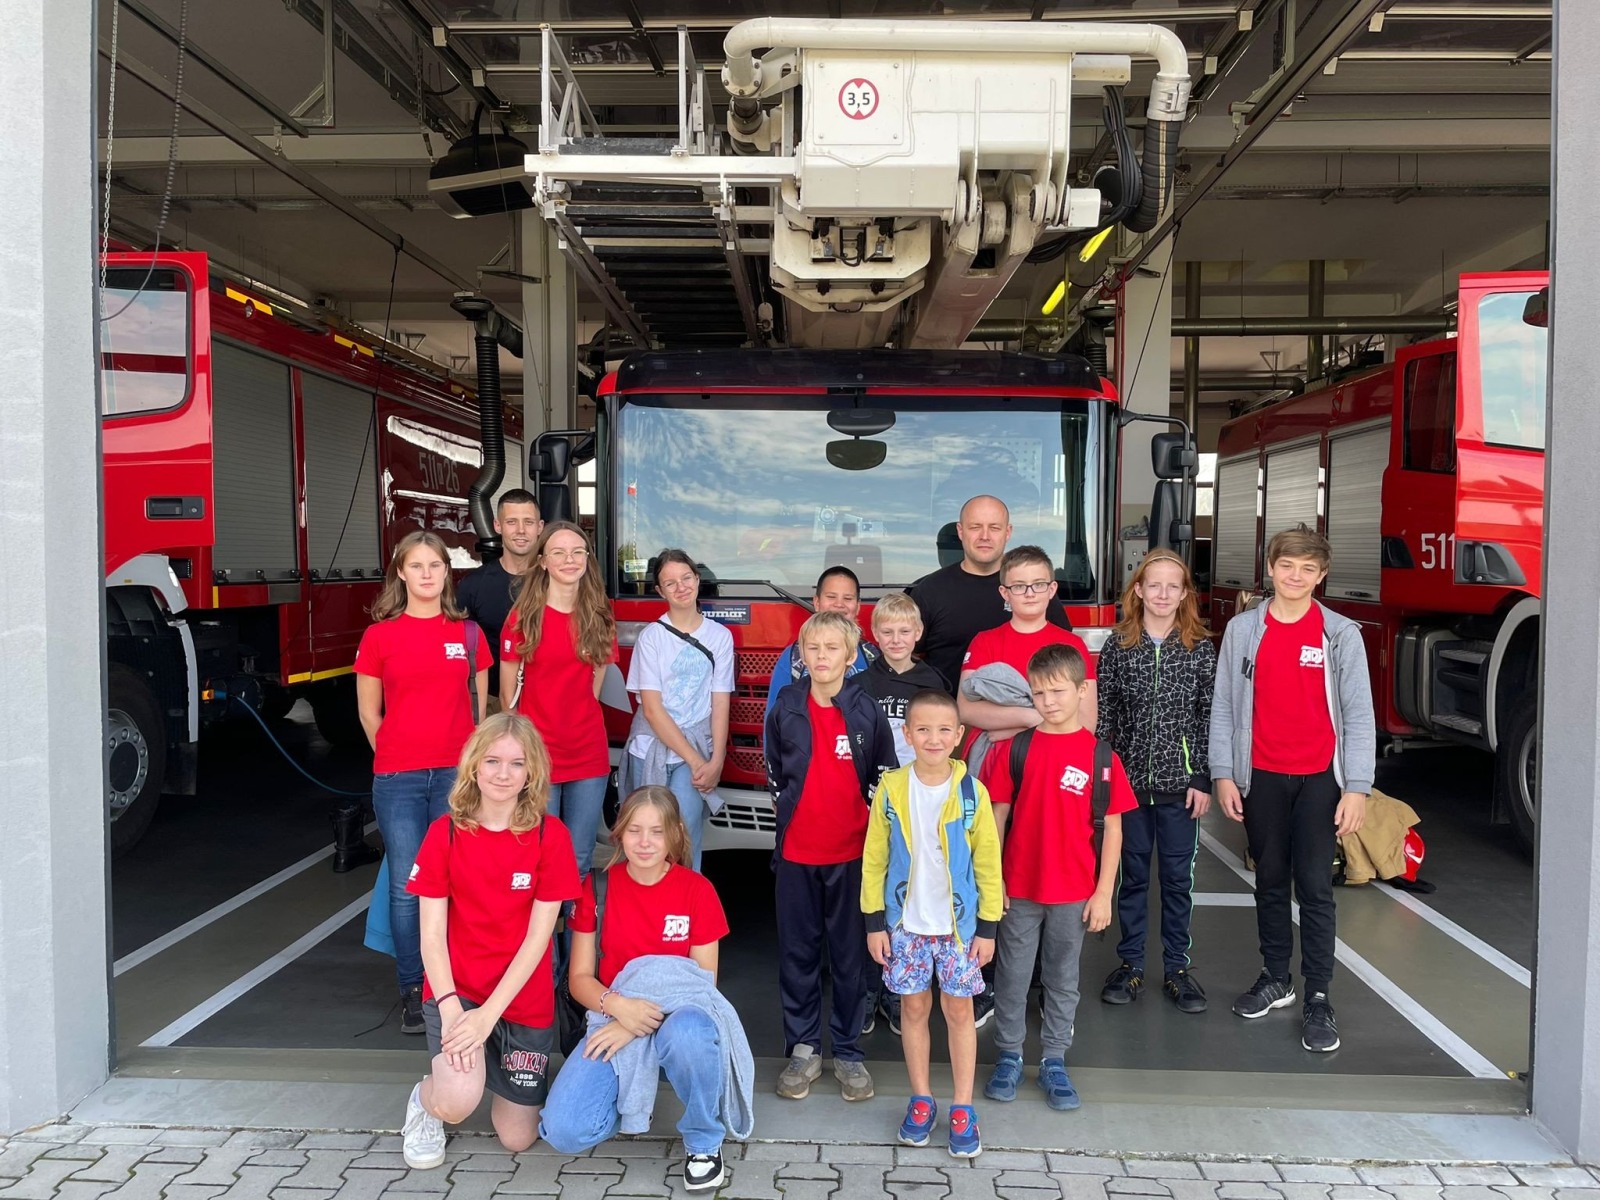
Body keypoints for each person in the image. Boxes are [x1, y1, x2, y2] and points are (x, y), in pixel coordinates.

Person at [541, 786, 753, 1195]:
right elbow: (580, 979)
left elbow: (701, 986)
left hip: (678, 1017)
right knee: (564, 1130)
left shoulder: (697, 890)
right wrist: (619, 1008)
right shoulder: (597, 888)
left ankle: (704, 1141)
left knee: (690, 1033)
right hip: (613, 1013)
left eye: (656, 831)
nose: (644, 842)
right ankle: (629, 1101)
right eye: (635, 830)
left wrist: (636, 1024)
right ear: (619, 833)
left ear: (675, 833)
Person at [1212, 525, 1374, 1054]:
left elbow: (1358, 715)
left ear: (1321, 575)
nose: (1296, 576)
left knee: (1315, 885)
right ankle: (1276, 977)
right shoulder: (1243, 630)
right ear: (1272, 567)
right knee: (1271, 879)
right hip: (1261, 776)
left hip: (1320, 781)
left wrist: (1358, 787)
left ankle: (1320, 996)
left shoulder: (1339, 635)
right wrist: (1223, 774)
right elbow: (1225, 707)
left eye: (1308, 569)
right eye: (1287, 566)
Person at [398, 712, 581, 1168]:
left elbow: (538, 941)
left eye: (517, 764)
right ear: (474, 767)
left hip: (522, 1001)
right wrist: (452, 1007)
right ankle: (425, 1103)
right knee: (458, 1102)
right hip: (457, 993)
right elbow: (432, 938)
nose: (503, 774)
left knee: (517, 1138)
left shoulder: (549, 836)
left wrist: (490, 1018)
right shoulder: (446, 834)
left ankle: (487, 1070)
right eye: (493, 761)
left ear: (531, 772)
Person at [979, 643, 1133, 1112]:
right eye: (1038, 692)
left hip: (1074, 892)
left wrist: (1104, 893)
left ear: (1082, 690)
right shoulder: (1014, 749)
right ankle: (1008, 1056)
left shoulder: (1101, 756)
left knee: (1063, 978)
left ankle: (1053, 1059)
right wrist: (995, 881)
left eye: (1058, 691)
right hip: (1019, 888)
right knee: (1011, 975)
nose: (1048, 701)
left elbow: (1113, 830)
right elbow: (995, 819)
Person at [355, 530, 492, 1035]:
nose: (428, 574)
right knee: (407, 886)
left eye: (436, 565)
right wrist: (395, 755)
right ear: (402, 574)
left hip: (457, 779)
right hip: (399, 779)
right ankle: (414, 987)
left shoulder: (469, 635)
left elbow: (481, 715)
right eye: (417, 566)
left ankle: (450, 982)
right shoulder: (379, 637)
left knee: (456, 882)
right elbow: (370, 715)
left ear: (446, 574)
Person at [764, 610, 898, 1103]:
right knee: (798, 956)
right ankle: (803, 1049)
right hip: (797, 858)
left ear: (851, 655)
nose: (821, 657)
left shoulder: (866, 710)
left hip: (851, 860)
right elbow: (776, 770)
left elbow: (884, 776)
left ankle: (847, 1051)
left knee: (849, 959)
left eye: (831, 649)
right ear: (802, 654)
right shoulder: (786, 706)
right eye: (812, 649)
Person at [862, 690, 1001, 1159]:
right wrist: (874, 921)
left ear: (959, 736)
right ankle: (921, 1099)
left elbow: (988, 863)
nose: (933, 738)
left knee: (960, 1012)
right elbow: (875, 857)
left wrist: (988, 927)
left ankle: (963, 1107)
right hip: (907, 925)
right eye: (922, 729)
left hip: (958, 929)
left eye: (944, 729)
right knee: (913, 1011)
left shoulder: (971, 793)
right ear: (907, 734)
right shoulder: (892, 789)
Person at [1094, 549, 1217, 1014]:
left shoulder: (1200, 647)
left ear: (1184, 593)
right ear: (1139, 590)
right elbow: (1104, 717)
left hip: (1180, 787)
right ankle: (1130, 964)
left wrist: (1201, 775)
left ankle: (1177, 968)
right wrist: (1104, 779)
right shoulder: (1118, 646)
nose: (1163, 594)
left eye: (1173, 586)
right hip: (1127, 790)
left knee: (1175, 880)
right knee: (1131, 877)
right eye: (1154, 585)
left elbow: (1208, 717)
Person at [500, 521, 619, 880]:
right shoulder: (523, 618)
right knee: (540, 854)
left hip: (587, 753)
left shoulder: (599, 617)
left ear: (587, 558)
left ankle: (574, 937)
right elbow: (508, 698)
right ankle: (545, 938)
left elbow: (593, 686)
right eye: (559, 552)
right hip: (538, 755)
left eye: (577, 552)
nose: (570, 560)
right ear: (543, 562)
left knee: (580, 858)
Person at [854, 590, 949, 1036]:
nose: (896, 639)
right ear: (874, 635)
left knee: (905, 896)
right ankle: (871, 988)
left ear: (918, 633)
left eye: (904, 631)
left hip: (919, 804)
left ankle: (898, 992)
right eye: (887, 632)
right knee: (874, 894)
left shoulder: (932, 682)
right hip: (875, 803)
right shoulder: (859, 684)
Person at [625, 550, 734, 871]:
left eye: (686, 578)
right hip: (652, 751)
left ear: (698, 580)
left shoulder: (720, 637)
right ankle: (649, 911)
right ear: (659, 591)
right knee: (650, 838)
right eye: (670, 583)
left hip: (697, 752)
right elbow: (653, 710)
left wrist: (717, 760)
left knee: (685, 836)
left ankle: (687, 914)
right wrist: (697, 759)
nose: (681, 587)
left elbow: (720, 701)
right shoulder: (651, 638)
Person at [912, 495, 1073, 691]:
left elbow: (1065, 655)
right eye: (975, 527)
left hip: (1027, 716)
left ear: (1008, 532)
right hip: (949, 717)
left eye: (994, 528)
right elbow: (909, 659)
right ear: (960, 531)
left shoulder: (1034, 591)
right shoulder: (929, 591)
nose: (985, 536)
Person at [959, 545, 1097, 741]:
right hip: (998, 760)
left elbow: (1087, 722)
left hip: (1054, 755)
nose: (1029, 593)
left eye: (1038, 584)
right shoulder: (984, 642)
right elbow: (966, 709)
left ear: (1052, 589)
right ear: (1005, 593)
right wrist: (1029, 718)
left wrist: (1013, 731)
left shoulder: (1072, 644)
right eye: (1018, 586)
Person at [763, 566, 878, 712]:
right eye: (831, 597)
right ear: (817, 602)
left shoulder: (873, 656)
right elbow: (773, 720)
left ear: (858, 606)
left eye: (848, 598)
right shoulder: (793, 657)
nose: (839, 604)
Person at [456, 490, 543, 683]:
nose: (521, 530)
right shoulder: (473, 586)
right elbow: (459, 652)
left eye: (528, 522)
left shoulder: (556, 580)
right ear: (497, 525)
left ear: (540, 526)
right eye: (511, 522)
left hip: (549, 699)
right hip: (493, 702)